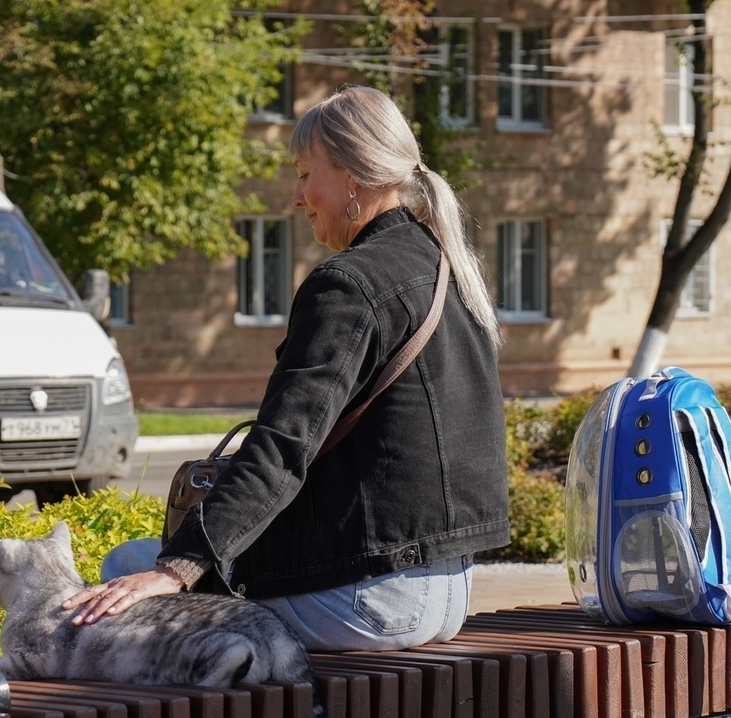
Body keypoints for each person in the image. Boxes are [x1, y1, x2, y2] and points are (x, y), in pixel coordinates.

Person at [64, 85, 510, 651]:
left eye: (305, 174)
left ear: (352, 177)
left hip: (374, 601)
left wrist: (176, 570)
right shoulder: (445, 264)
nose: (297, 197)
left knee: (127, 565)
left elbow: (281, 447)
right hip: (448, 589)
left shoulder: (348, 285)